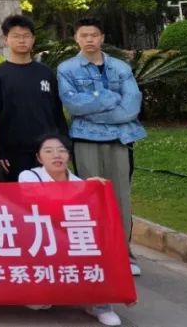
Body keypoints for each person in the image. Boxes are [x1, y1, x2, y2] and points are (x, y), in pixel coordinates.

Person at [57, 15, 146, 277]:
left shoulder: (120, 67)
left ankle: (123, 254)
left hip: (120, 140)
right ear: (76, 38)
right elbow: (74, 106)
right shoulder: (66, 69)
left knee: (120, 197)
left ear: (102, 38)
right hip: (86, 140)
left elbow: (131, 106)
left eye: (94, 35)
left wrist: (94, 107)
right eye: (84, 35)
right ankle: (95, 253)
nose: (89, 40)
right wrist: (109, 98)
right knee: (90, 197)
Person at [18, 133, 122, 326]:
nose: (56, 155)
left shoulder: (80, 183)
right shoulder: (28, 176)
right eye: (49, 151)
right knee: (37, 303)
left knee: (96, 246)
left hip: (71, 239)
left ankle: (100, 305)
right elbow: (40, 203)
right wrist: (81, 192)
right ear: (39, 157)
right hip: (39, 240)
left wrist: (93, 189)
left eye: (61, 151)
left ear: (69, 156)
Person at [0, 15, 68, 182]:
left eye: (26, 36)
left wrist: (64, 145)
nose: (22, 40)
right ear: (6, 40)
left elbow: (56, 112)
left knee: (49, 195)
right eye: (16, 36)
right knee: (14, 197)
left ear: (33, 39)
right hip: (11, 153)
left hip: (46, 150)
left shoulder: (45, 73)